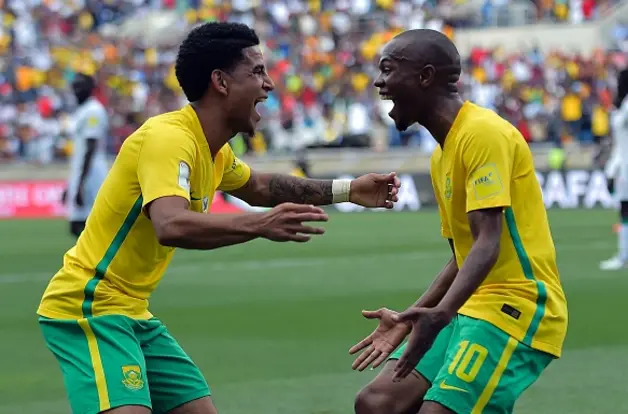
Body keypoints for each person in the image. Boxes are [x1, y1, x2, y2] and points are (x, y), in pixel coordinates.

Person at [37, 22, 401, 414]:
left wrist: (349, 191)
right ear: (221, 82)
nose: (269, 85)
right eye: (257, 72)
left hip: (132, 311)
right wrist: (260, 225)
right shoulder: (167, 138)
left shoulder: (213, 150)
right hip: (89, 305)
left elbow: (261, 187)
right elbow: (170, 224)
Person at [349, 29, 568, 414]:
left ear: (425, 76)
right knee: (376, 403)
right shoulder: (442, 153)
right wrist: (408, 319)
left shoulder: (482, 133)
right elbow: (463, 255)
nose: (379, 82)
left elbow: (488, 241)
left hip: (516, 304)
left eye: (387, 70)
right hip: (470, 304)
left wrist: (442, 313)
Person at [600, 68, 628, 270]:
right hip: (625, 165)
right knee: (626, 209)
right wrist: (611, 170)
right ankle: (624, 257)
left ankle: (624, 258)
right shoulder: (624, 105)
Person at [61, 73, 110, 238]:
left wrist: (81, 184)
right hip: (81, 173)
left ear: (91, 89)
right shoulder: (81, 110)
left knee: (83, 225)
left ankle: (99, 259)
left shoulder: (94, 111)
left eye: (80, 86)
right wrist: (71, 185)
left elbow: (91, 147)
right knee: (78, 226)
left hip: (91, 174)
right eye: (74, 86)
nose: (76, 90)